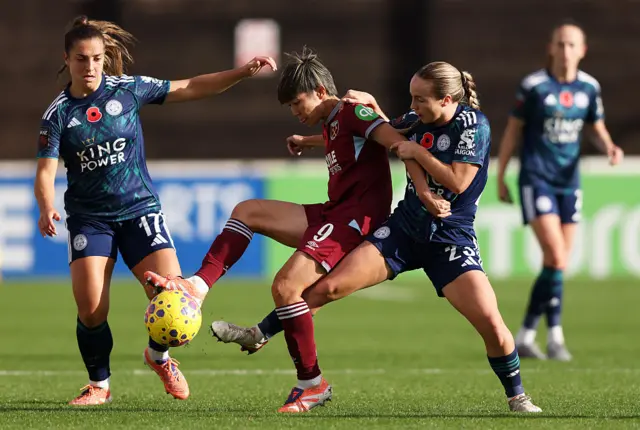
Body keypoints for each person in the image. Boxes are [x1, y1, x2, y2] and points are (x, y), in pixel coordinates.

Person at [199, 62, 542, 413]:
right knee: (325, 288)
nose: (413, 106)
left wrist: (417, 152)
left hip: (449, 240)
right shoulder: (418, 117)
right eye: (412, 97)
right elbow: (378, 132)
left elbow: (457, 183)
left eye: (420, 99)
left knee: (492, 325)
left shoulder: (473, 125)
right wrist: (331, 131)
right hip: (403, 231)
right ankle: (262, 336)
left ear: (447, 99)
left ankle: (517, 396)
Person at [144, 48, 451, 412]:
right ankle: (198, 286)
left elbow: (397, 142)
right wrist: (307, 142)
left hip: (355, 218)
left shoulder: (353, 111)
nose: (295, 111)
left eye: (296, 102)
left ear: (321, 91)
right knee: (248, 211)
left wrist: (426, 192)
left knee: (287, 287)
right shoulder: (333, 119)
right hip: (334, 212)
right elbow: (342, 137)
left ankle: (311, 384)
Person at [34, 15, 276, 406]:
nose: (91, 67)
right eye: (82, 59)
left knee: (176, 298)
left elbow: (192, 86)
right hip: (90, 219)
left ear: (104, 56)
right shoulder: (58, 114)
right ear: (67, 58)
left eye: (97, 58)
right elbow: (45, 172)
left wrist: (242, 72)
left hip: (139, 211)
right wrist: (46, 207)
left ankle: (158, 357)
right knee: (92, 308)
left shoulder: (127, 89)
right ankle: (99, 385)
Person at [496, 20, 623, 361]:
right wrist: (502, 173)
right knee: (555, 256)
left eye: (572, 45)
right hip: (537, 179)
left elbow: (594, 125)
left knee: (559, 263)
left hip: (569, 183)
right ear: (551, 48)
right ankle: (554, 336)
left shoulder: (588, 88)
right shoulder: (535, 86)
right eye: (560, 44)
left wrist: (610, 146)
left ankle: (526, 334)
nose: (566, 51)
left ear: (582, 50)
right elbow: (513, 131)